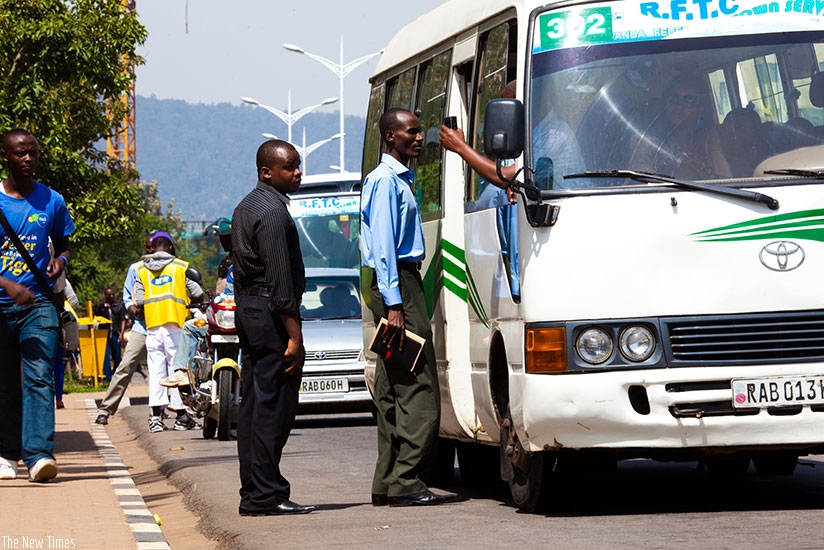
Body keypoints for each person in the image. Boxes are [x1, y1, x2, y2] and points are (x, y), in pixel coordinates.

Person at [361, 108, 458, 507]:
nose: (420, 138)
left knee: (391, 385)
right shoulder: (385, 182)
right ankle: (407, 480)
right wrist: (397, 304)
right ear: (390, 138)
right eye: (411, 133)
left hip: (394, 283)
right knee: (419, 387)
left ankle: (387, 481)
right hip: (399, 283)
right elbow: (383, 245)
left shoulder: (392, 179)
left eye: (419, 132)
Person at [232, 139, 316, 516]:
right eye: (291, 167)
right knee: (274, 406)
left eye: (299, 166)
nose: (298, 173)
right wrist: (295, 337)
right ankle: (266, 493)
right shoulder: (273, 213)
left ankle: (254, 491)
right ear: (267, 172)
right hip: (269, 311)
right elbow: (281, 284)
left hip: (249, 308)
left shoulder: (245, 206)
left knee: (254, 403)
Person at [0, 129, 75, 483]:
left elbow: (63, 244)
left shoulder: (52, 200)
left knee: (39, 377)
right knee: (5, 384)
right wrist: (7, 284)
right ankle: (6, 452)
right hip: (2, 305)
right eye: (20, 154)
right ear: (5, 157)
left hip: (39, 303)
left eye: (33, 153)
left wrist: (60, 261)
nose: (28, 159)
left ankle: (39, 455)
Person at [133, 232, 203, 432]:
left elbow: (138, 300)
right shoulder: (180, 267)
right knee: (178, 370)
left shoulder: (142, 270)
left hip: (153, 326)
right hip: (176, 325)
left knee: (156, 371)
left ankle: (156, 418)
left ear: (153, 249)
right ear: (170, 248)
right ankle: (181, 416)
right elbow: (196, 292)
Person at [160, 217, 234, 388]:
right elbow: (222, 294)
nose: (224, 242)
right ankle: (184, 372)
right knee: (191, 327)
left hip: (247, 320)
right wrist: (212, 299)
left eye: (228, 238)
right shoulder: (226, 263)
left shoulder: (250, 260)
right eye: (222, 238)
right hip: (226, 319)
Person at [95, 236, 154, 425]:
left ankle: (178, 411)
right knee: (125, 365)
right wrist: (133, 309)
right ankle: (106, 409)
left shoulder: (173, 268)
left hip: (166, 325)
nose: (151, 251)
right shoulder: (136, 268)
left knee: (173, 369)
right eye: (148, 247)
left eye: (154, 247)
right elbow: (128, 297)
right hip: (142, 326)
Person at [629, 73, 715, 179]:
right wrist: (677, 165)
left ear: (700, 108)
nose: (678, 105)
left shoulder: (710, 139)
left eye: (688, 100)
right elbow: (641, 172)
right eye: (674, 98)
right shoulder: (647, 140)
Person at [96, 286, 126, 381]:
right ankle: (107, 378)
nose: (111, 296)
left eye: (113, 294)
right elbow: (96, 319)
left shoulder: (119, 307)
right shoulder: (101, 308)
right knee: (105, 356)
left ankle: (116, 375)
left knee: (117, 356)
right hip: (104, 333)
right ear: (105, 295)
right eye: (109, 295)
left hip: (115, 333)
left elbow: (122, 320)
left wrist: (121, 333)